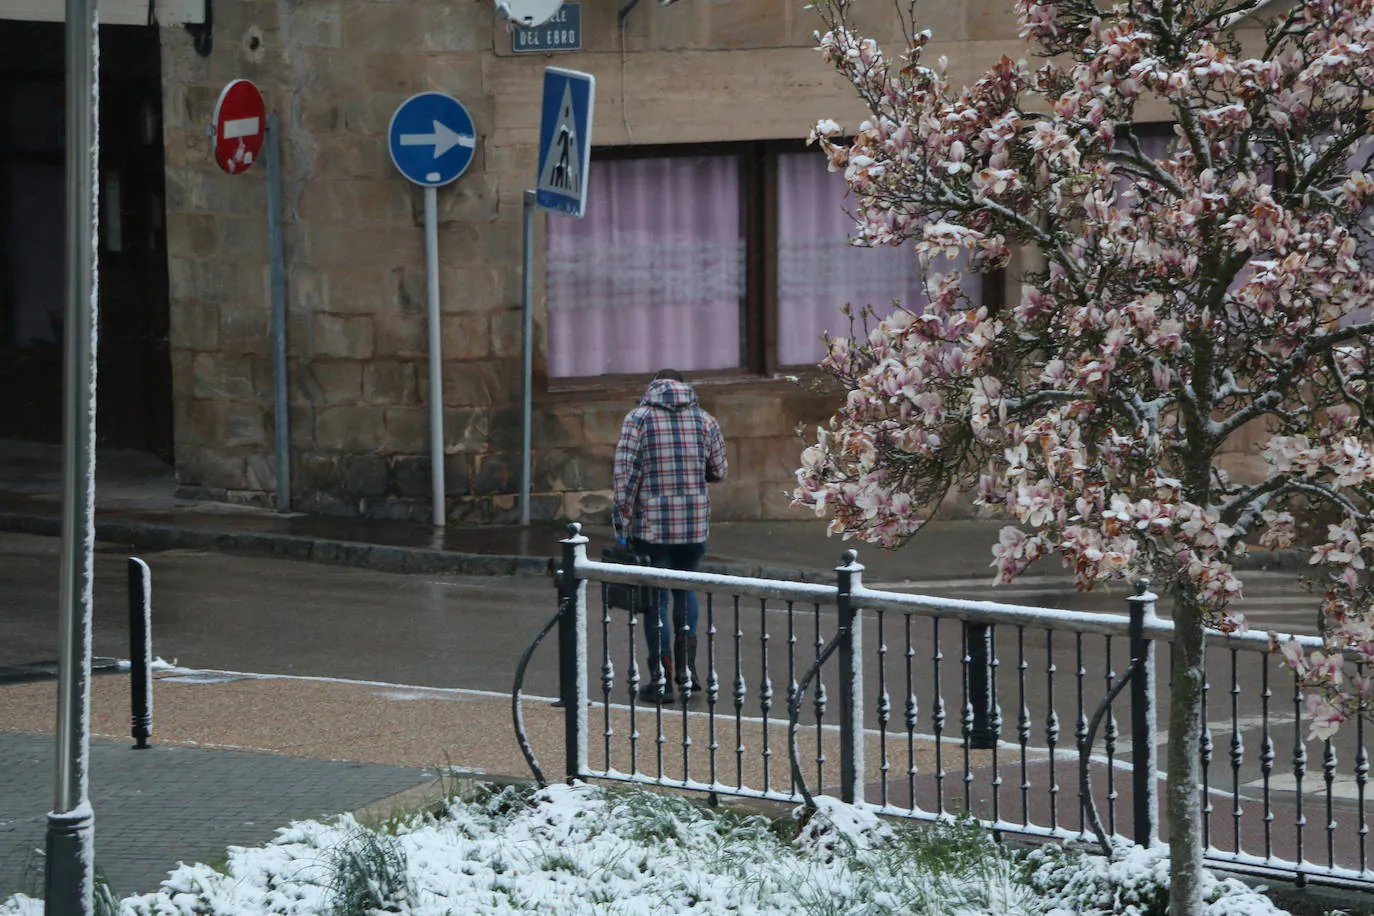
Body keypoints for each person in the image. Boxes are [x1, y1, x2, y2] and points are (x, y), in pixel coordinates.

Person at [613, 369, 728, 704]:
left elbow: (625, 477)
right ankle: (688, 673)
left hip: (652, 525)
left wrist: (621, 525)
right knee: (686, 588)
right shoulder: (706, 420)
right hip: (693, 524)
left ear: (653, 387)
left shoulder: (638, 419)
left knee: (657, 600)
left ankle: (660, 678)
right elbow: (719, 470)